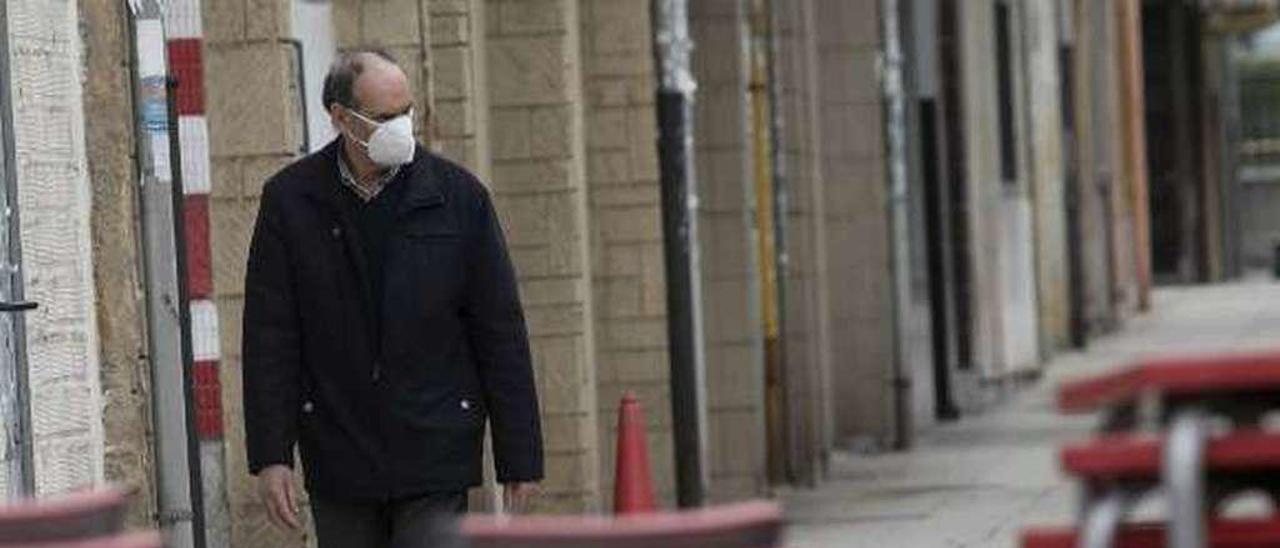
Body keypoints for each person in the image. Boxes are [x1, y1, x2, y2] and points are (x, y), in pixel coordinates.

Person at [241, 48, 543, 548]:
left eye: (406, 113)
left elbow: (500, 332)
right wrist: (271, 454)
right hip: (339, 449)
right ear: (340, 118)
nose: (401, 127)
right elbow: (271, 334)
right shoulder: (291, 203)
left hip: (436, 446)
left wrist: (521, 459)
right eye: (384, 118)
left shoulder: (459, 198)